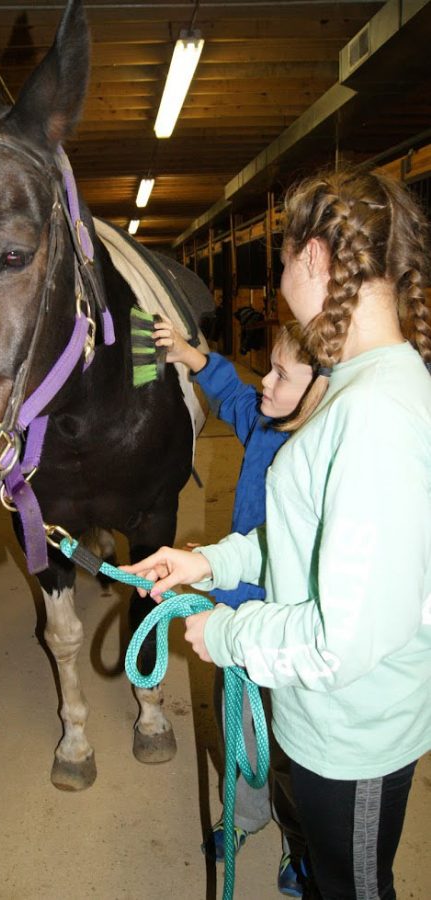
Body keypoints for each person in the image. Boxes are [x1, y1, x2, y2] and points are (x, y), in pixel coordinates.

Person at [127, 167, 431, 900]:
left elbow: (341, 641)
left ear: (317, 258)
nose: (277, 277)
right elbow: (299, 541)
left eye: (284, 256)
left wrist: (228, 636)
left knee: (353, 888)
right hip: (322, 721)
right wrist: (205, 563)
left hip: (352, 734)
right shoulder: (360, 388)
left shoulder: (374, 416)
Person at [153, 315, 315, 897]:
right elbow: (231, 395)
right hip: (235, 611)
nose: (263, 382)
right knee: (239, 728)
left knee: (293, 753)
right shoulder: (267, 424)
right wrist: (193, 357)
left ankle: (303, 847)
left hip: (288, 634)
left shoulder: (323, 460)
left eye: (280, 374)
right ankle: (244, 816)